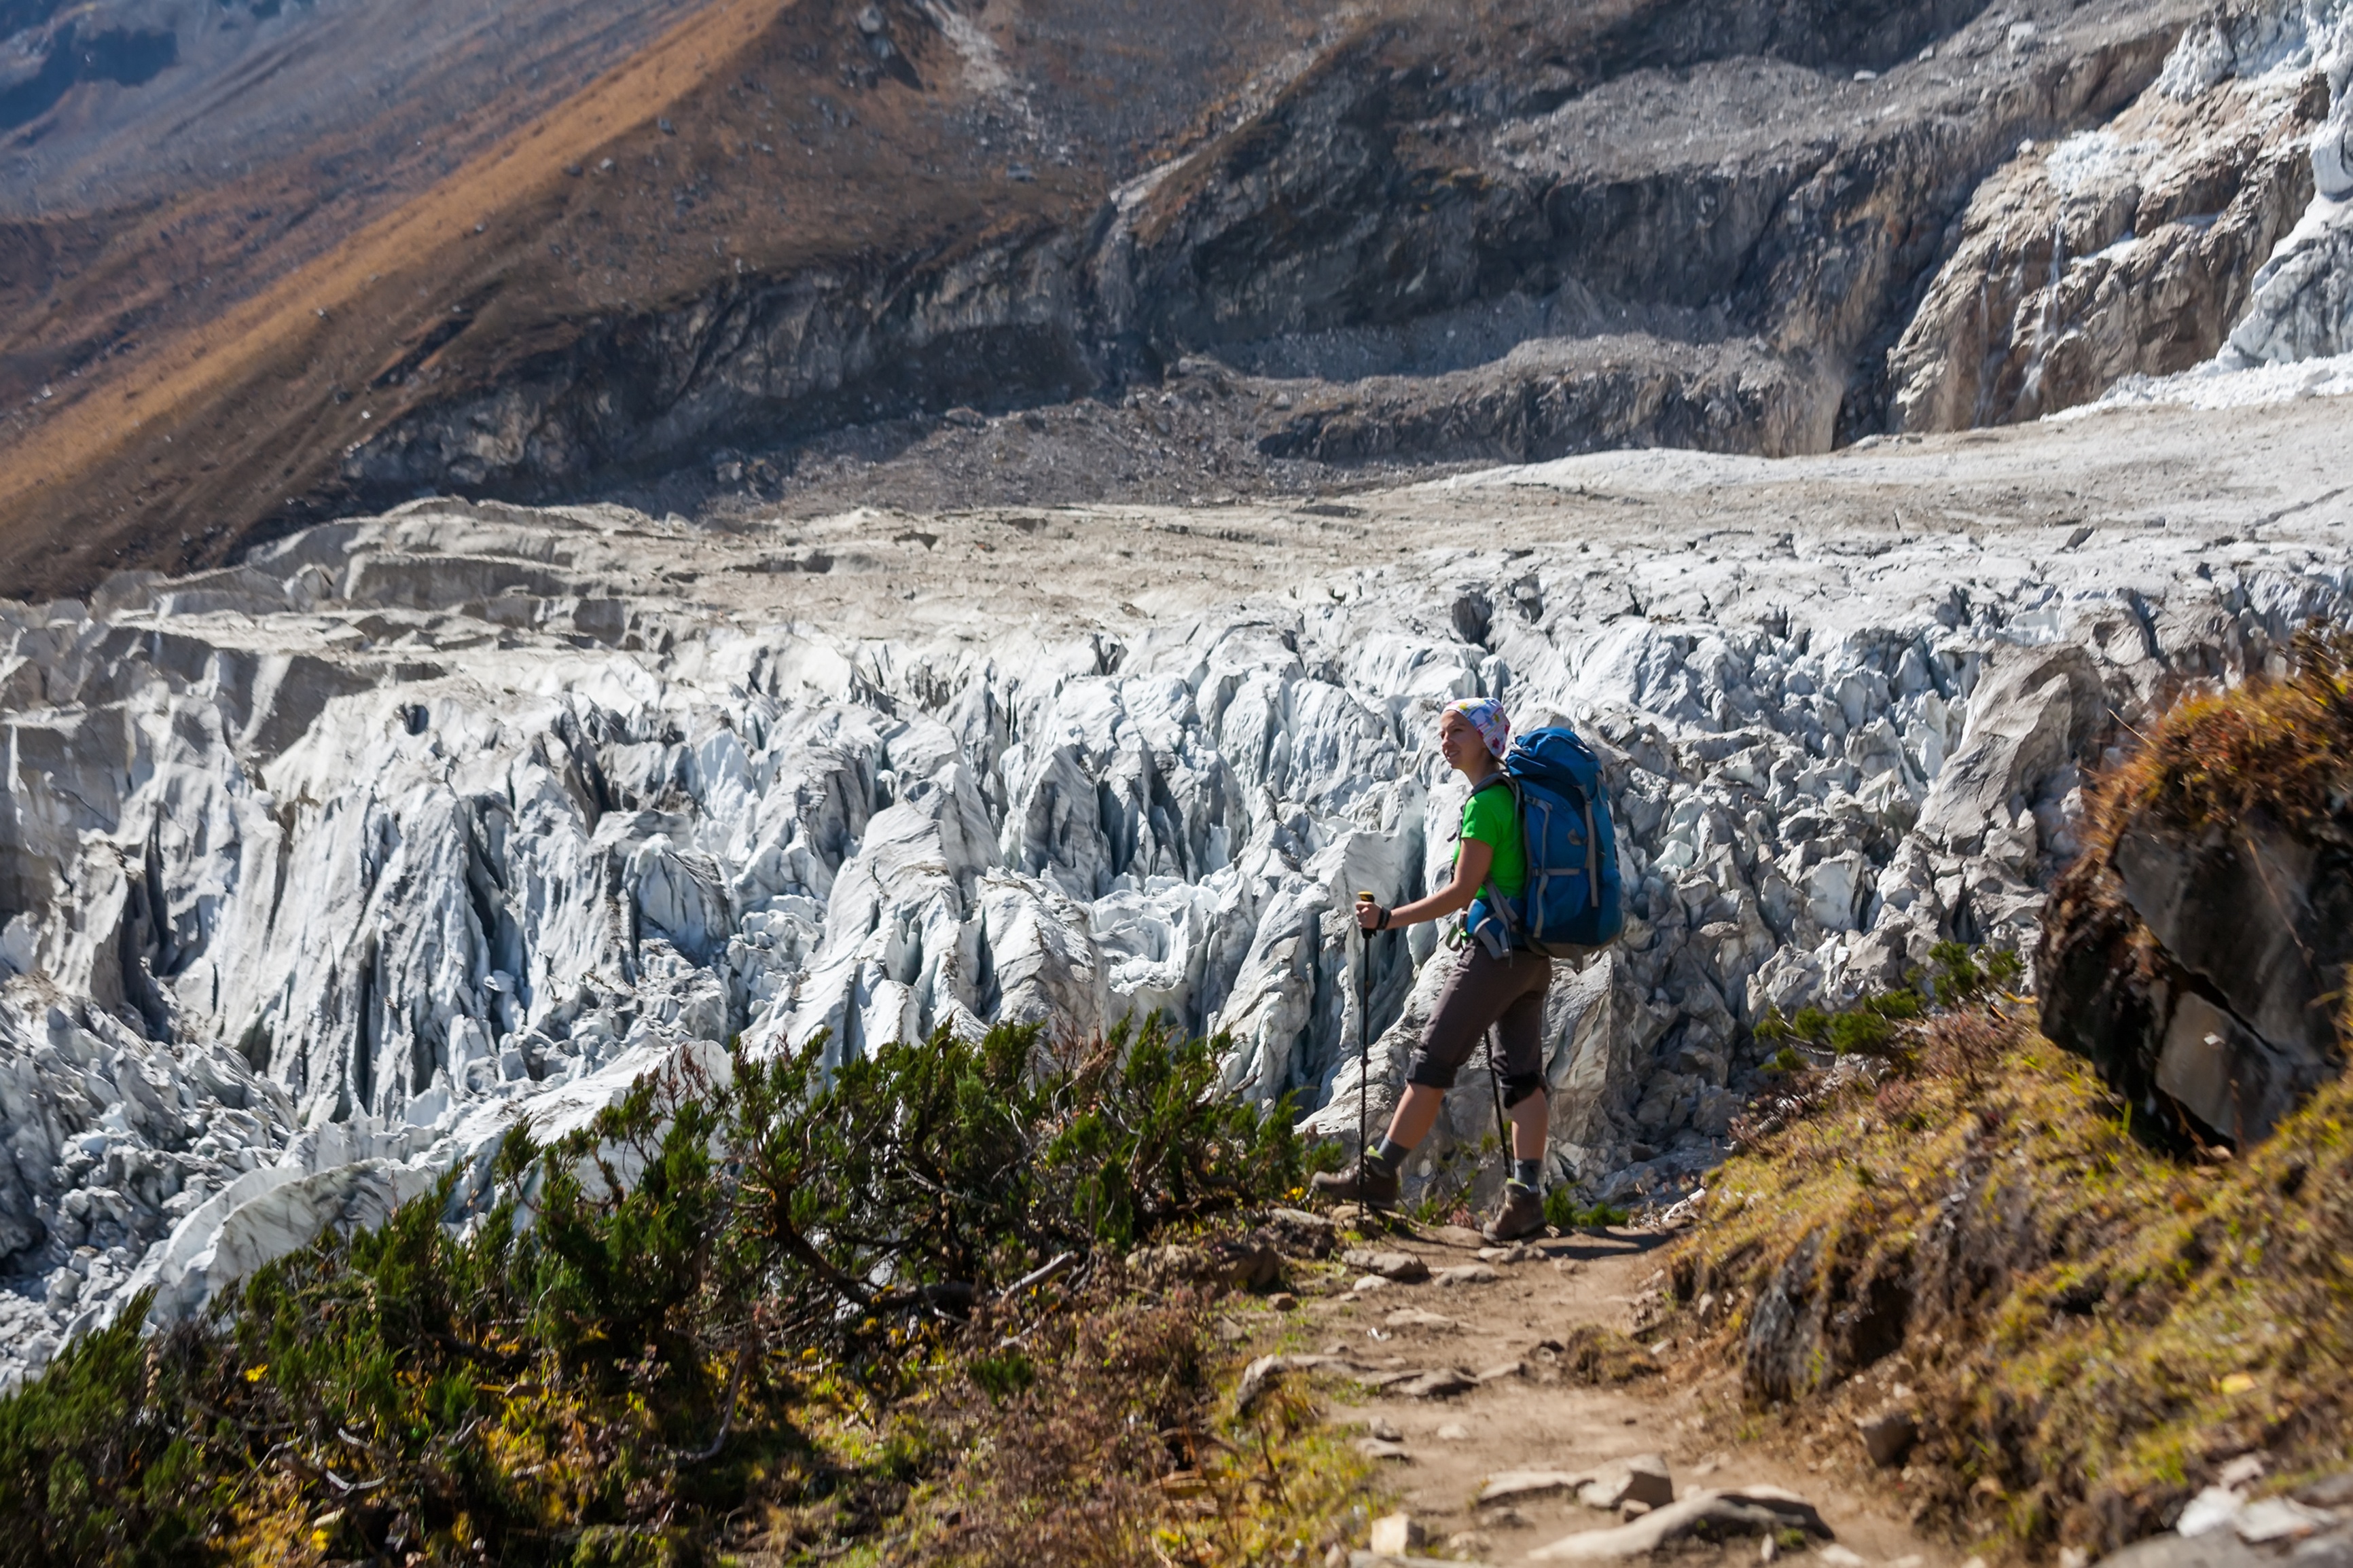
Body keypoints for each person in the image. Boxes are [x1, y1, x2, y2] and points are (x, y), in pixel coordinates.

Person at [1312, 695, 1553, 1243]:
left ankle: (1379, 1174)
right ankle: (1526, 1200)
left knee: (1432, 1060)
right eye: (1443, 734)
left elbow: (1463, 890)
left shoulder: (1486, 805)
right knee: (1521, 1079)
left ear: (1487, 739)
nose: (1447, 743)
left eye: (1459, 733)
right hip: (1533, 959)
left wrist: (1389, 918)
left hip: (1495, 956)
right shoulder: (1514, 795)